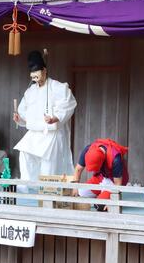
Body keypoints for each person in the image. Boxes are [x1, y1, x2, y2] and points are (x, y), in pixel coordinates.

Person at [13, 51, 77, 182]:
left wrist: (56, 117)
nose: (35, 77)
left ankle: (47, 192)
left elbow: (68, 103)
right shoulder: (30, 91)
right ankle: (28, 187)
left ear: (44, 70)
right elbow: (24, 113)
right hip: (34, 133)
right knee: (25, 153)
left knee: (49, 164)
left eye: (38, 72)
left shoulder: (57, 87)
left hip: (51, 132)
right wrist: (20, 119)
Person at [72, 139, 129, 208]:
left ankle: (103, 195)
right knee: (79, 194)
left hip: (113, 181)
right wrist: (75, 186)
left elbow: (118, 184)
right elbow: (78, 169)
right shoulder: (88, 150)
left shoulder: (116, 159)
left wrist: (112, 201)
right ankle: (101, 193)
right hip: (100, 177)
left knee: (100, 205)